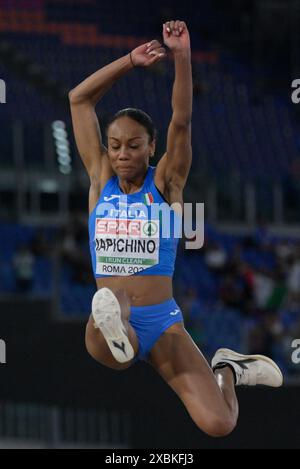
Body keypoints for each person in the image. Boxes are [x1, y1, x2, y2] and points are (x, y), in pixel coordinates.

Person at [69, 20, 283, 438]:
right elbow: (79, 100)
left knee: (220, 424)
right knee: (111, 315)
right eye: (114, 146)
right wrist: (130, 61)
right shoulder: (100, 182)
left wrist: (182, 57)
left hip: (164, 322)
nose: (122, 154)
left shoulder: (165, 184)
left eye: (134, 145)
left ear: (151, 147)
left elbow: (181, 122)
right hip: (115, 319)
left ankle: (226, 369)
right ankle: (114, 325)